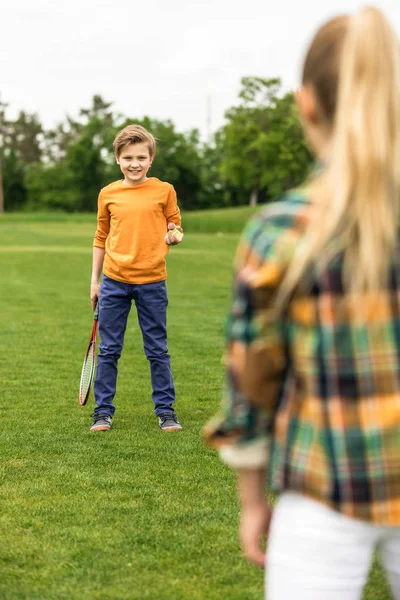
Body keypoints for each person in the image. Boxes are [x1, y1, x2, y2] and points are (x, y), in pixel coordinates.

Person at [204, 7, 400, 599]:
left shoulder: (279, 229)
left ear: (306, 105)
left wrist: (251, 500)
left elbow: (252, 383)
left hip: (319, 491)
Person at [90, 124, 183, 433]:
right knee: (109, 350)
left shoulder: (164, 190)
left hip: (152, 282)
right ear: (118, 159)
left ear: (151, 158)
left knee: (157, 349)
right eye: (128, 157)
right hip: (113, 281)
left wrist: (174, 235)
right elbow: (101, 237)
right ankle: (102, 412)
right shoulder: (108, 193)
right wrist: (95, 282)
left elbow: (175, 224)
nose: (134, 164)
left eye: (141, 157)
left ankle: (166, 412)